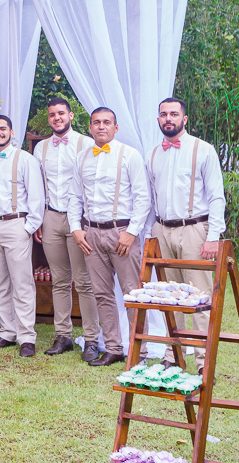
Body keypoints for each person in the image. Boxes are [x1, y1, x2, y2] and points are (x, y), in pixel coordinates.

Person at [68, 107, 151, 367]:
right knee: (102, 293)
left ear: (116, 127)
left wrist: (131, 232)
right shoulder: (81, 158)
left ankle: (140, 352)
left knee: (132, 294)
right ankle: (113, 348)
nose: (101, 126)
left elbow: (143, 198)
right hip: (91, 233)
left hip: (122, 232)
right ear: (90, 127)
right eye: (96, 123)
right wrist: (76, 228)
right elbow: (74, 198)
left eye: (107, 122)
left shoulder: (130, 155)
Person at [148, 97, 225, 372]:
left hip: (195, 230)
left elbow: (217, 197)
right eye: (163, 114)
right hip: (162, 230)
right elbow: (151, 199)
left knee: (200, 298)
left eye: (173, 114)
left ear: (185, 118)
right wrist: (150, 235)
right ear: (158, 119)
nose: (168, 118)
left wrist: (213, 236)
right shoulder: (154, 153)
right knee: (171, 297)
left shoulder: (203, 150)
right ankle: (173, 357)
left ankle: (205, 363)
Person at [32, 97, 101, 362]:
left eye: (61, 113)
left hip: (79, 221)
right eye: (52, 114)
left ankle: (92, 339)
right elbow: (39, 186)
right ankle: (63, 335)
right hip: (51, 217)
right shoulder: (41, 148)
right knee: (59, 280)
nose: (57, 118)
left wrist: (85, 223)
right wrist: (38, 219)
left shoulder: (86, 143)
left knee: (83, 282)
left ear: (71, 115)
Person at [0, 115, 45, 358]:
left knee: (22, 282)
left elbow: (37, 197)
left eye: (2, 129)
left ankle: (27, 336)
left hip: (16, 224)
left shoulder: (25, 159)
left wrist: (28, 228)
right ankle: (7, 331)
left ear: (11, 131)